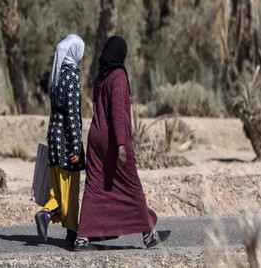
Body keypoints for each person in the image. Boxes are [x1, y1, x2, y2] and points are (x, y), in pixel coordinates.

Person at [73, 36, 171, 250]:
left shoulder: (101, 76)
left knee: (94, 187)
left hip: (95, 138)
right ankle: (149, 235)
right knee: (131, 186)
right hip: (113, 140)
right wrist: (121, 145)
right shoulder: (118, 76)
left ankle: (82, 238)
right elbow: (118, 112)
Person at [35, 34, 86, 247]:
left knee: (57, 187)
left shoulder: (55, 78)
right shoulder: (71, 78)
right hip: (66, 140)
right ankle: (60, 224)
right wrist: (76, 145)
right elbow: (73, 114)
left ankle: (50, 214)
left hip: (53, 138)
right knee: (70, 191)